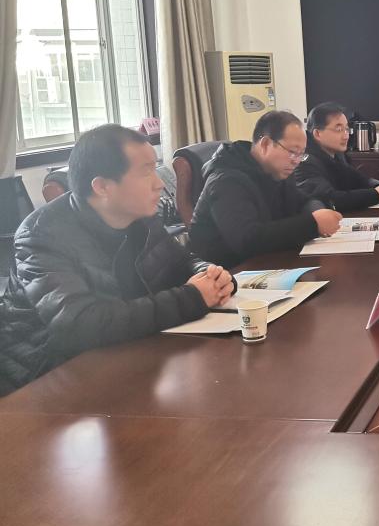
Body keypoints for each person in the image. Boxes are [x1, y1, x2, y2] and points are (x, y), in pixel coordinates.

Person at [0, 125, 234, 396]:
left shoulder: (140, 216)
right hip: (46, 376)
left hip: (123, 353)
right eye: (145, 172)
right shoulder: (41, 236)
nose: (159, 183)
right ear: (102, 187)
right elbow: (80, 324)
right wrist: (193, 297)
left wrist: (210, 275)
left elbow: (180, 262)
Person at [189, 111, 342, 268]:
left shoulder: (277, 170)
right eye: (292, 152)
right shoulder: (226, 179)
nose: (296, 161)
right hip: (226, 271)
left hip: (268, 262)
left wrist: (318, 212)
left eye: (301, 154)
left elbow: (304, 200)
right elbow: (247, 240)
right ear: (265, 144)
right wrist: (313, 224)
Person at [294, 102, 379, 211]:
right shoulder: (304, 163)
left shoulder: (336, 154)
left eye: (347, 129)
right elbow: (331, 200)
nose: (346, 136)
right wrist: (376, 194)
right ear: (317, 134)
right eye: (339, 130)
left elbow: (358, 179)